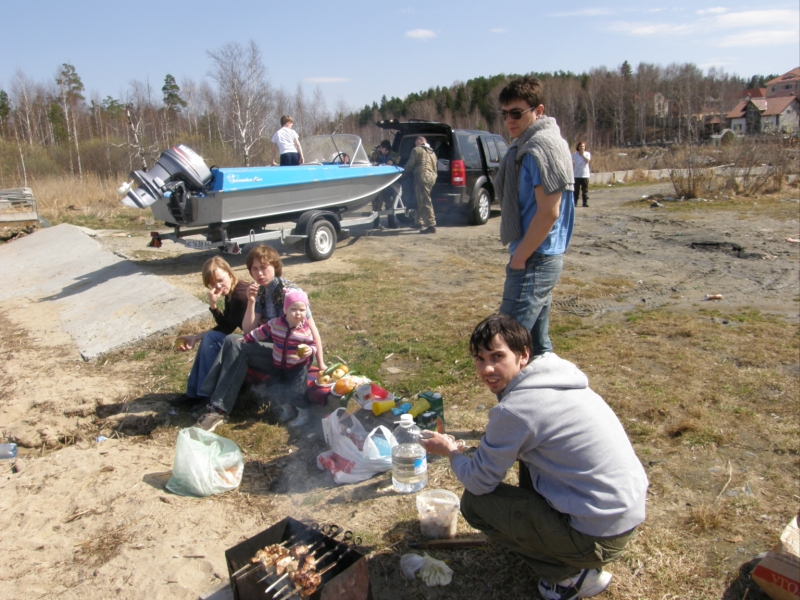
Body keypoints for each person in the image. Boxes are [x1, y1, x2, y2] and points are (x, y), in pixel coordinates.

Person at [420, 314, 648, 600]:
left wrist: (450, 451)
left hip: (597, 538)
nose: (487, 368)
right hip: (622, 514)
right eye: (479, 359)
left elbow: (478, 482)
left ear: (523, 354)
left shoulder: (516, 410)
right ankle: (561, 545)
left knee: (476, 504)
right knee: (526, 461)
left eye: (497, 356)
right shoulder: (556, 379)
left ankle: (571, 576)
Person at [194, 245, 325, 431]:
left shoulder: (290, 292)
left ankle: (217, 407)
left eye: (264, 267)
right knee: (232, 340)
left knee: (237, 345)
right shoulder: (262, 291)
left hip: (294, 355)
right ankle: (213, 403)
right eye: (254, 269)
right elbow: (249, 330)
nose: (259, 273)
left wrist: (321, 364)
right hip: (276, 350)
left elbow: (312, 329)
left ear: (275, 266)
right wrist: (251, 301)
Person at [495, 76, 575, 357]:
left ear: (538, 111)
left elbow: (549, 211)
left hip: (535, 258)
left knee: (504, 346)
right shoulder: (530, 145)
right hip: (538, 256)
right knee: (537, 347)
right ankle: (550, 387)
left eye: (517, 113)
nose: (509, 120)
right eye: (505, 113)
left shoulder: (540, 148)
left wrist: (520, 258)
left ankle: (510, 392)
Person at [172, 257, 250, 408]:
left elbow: (227, 328)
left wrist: (214, 307)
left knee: (211, 339)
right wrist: (196, 337)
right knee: (210, 337)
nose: (218, 286)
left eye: (220, 280)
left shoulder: (240, 296)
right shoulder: (232, 292)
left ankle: (205, 395)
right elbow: (225, 325)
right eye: (213, 284)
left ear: (230, 273)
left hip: (259, 341)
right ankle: (193, 393)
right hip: (250, 338)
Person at [241, 289, 317, 427]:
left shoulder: (305, 330)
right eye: (293, 309)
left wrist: (310, 350)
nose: (298, 313)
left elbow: (313, 344)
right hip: (277, 365)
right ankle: (286, 409)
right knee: (276, 388)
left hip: (297, 367)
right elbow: (262, 331)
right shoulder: (276, 323)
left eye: (302, 309)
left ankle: (303, 413)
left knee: (297, 392)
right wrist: (248, 338)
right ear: (285, 309)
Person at [403, 136, 438, 234]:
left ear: (419, 141)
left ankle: (431, 225)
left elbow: (410, 164)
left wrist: (402, 174)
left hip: (421, 178)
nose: (415, 144)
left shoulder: (417, 150)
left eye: (416, 142)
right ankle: (419, 222)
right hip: (431, 178)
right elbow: (435, 168)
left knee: (424, 202)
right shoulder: (432, 152)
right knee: (419, 200)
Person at [370, 140, 402, 229]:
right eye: (384, 150)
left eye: (387, 150)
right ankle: (376, 224)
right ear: (381, 148)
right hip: (377, 183)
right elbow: (370, 158)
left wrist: (392, 160)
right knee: (376, 203)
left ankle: (391, 223)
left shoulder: (391, 154)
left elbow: (397, 157)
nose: (386, 152)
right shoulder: (375, 153)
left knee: (389, 203)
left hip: (388, 183)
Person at [572, 141, 591, 207]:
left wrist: (583, 155)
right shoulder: (575, 155)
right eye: (580, 146)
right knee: (576, 190)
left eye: (583, 146)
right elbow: (570, 161)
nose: (582, 147)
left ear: (585, 147)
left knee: (585, 190)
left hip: (585, 174)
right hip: (577, 175)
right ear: (578, 147)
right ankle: (575, 202)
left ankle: (585, 202)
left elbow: (587, 161)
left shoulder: (587, 154)